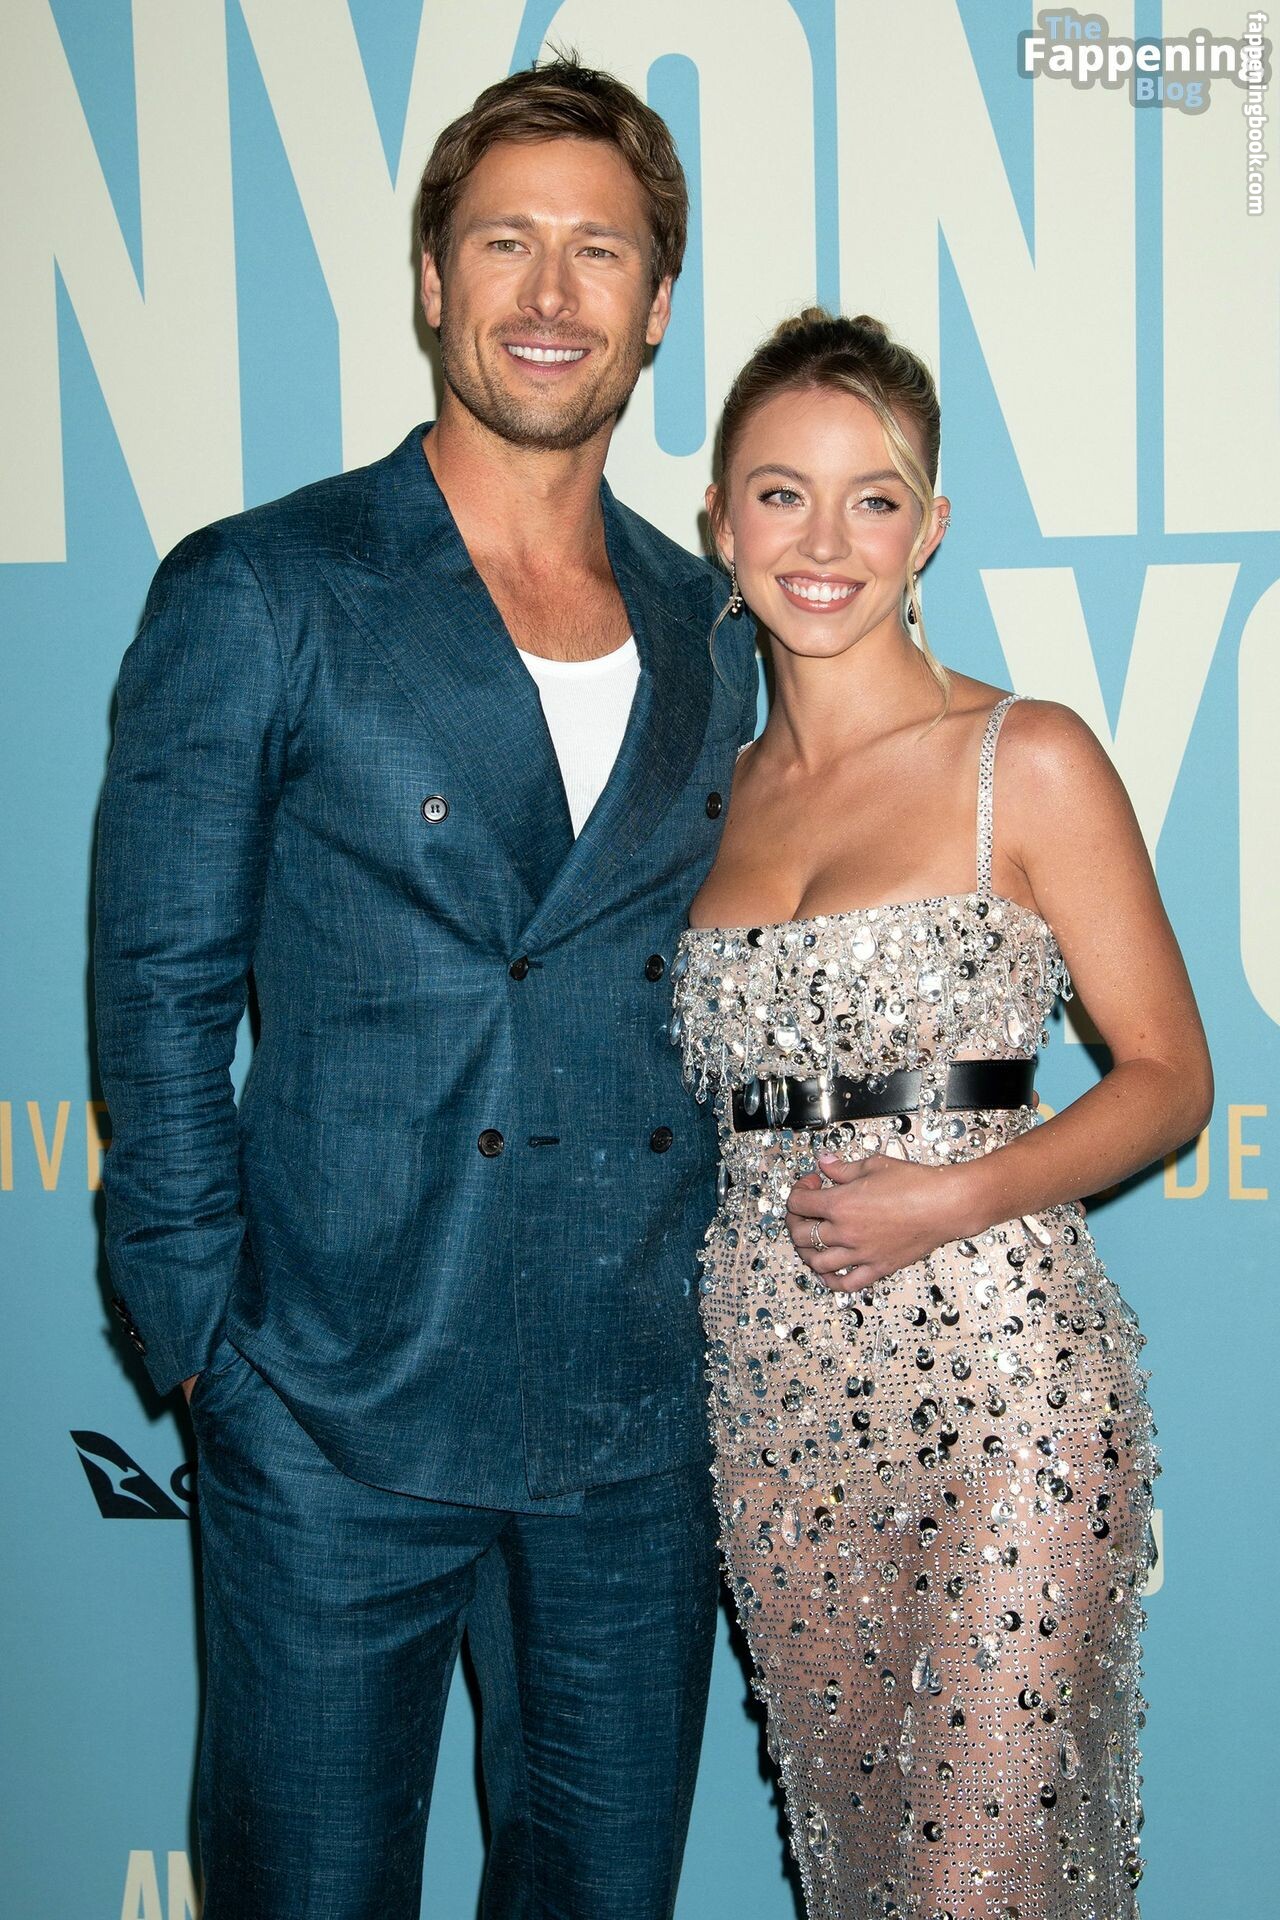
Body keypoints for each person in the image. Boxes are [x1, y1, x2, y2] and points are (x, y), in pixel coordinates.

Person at [93, 56, 757, 1920]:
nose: (551, 293)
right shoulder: (265, 587)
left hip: (633, 1421)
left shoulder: (711, 624)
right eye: (505, 242)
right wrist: (208, 1346)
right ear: (429, 279)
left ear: (655, 306)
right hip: (330, 1409)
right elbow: (157, 986)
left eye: (599, 252)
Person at [672, 309, 1212, 1919]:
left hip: (1008, 1388)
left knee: (977, 1883)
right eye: (781, 494)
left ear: (931, 529)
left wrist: (954, 1196)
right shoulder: (702, 802)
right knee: (855, 1874)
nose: (823, 542)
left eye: (874, 498)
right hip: (772, 1405)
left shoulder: (1020, 758)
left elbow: (1170, 1076)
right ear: (720, 524)